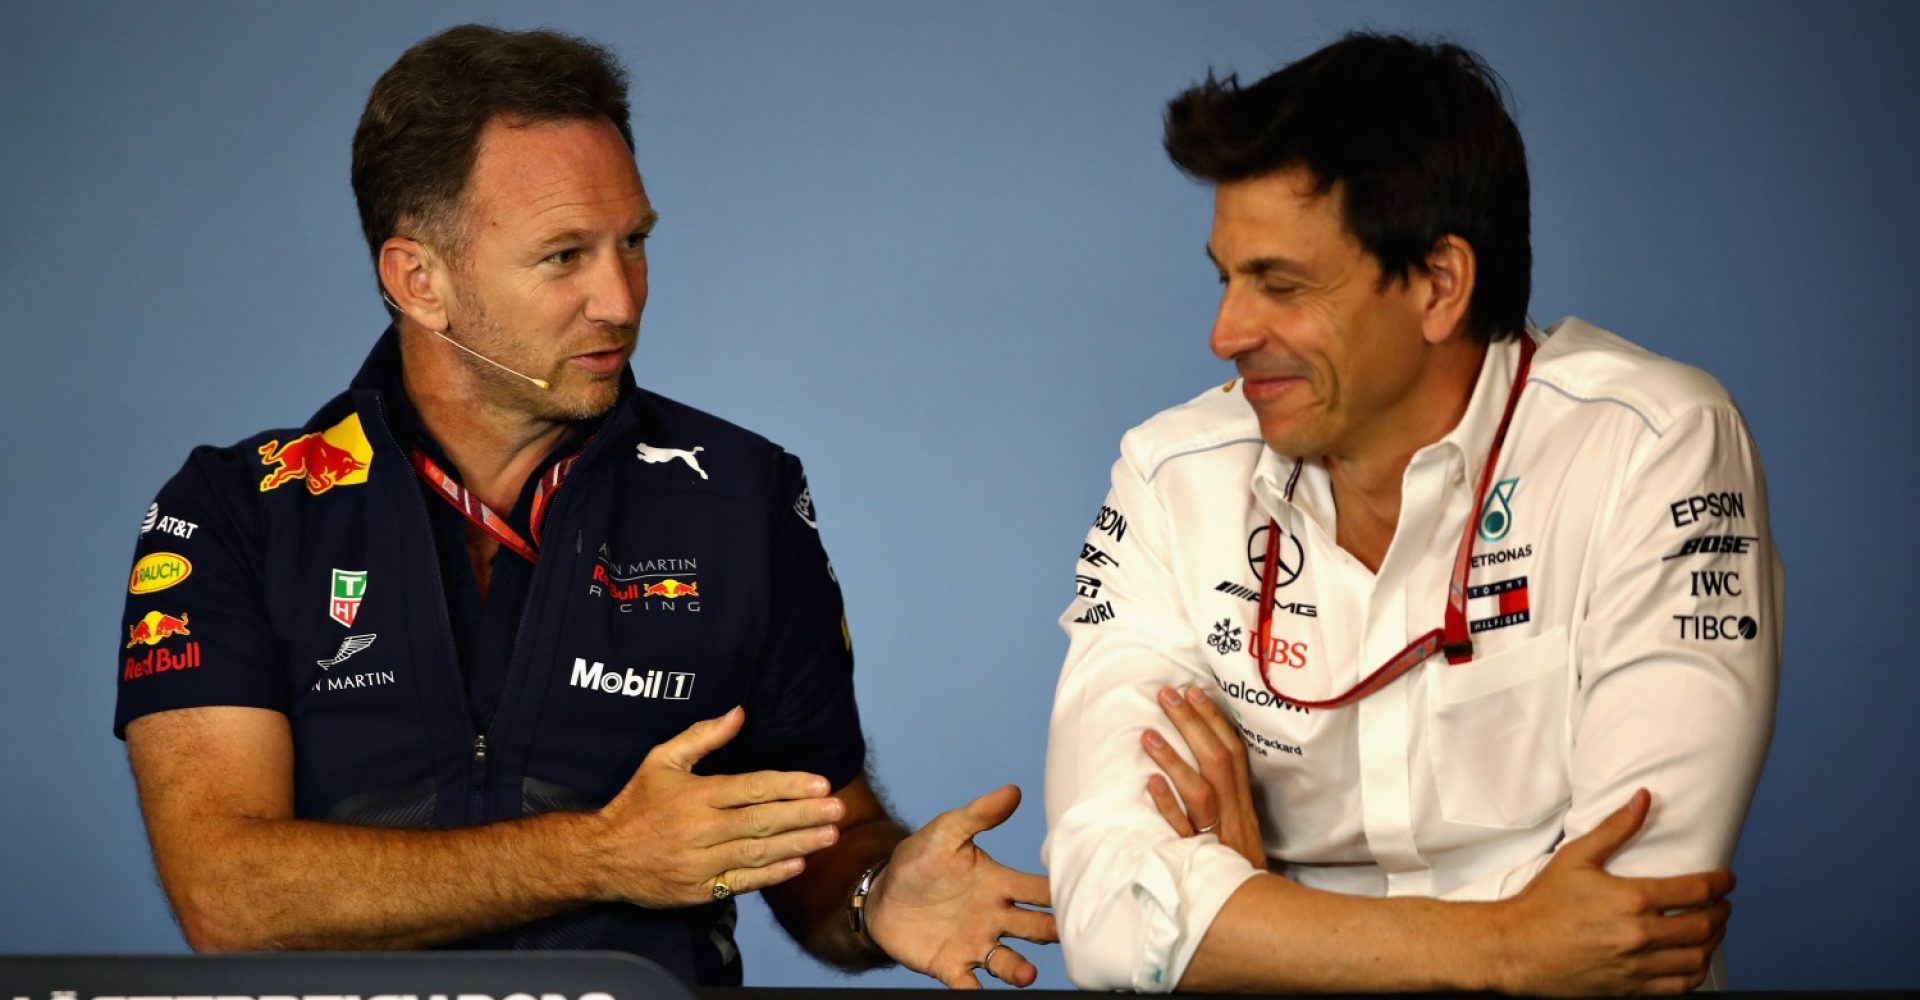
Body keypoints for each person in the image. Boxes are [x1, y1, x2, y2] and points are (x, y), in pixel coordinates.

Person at [114, 24, 1051, 989]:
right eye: (564, 256)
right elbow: (227, 895)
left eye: (634, 242)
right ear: (419, 280)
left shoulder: (741, 494)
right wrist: (598, 856)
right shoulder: (235, 512)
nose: (620, 297)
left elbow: (824, 835)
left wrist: (876, 896)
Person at [1044, 32, 1779, 994]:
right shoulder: (1167, 472)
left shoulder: (1656, 445)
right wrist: (1512, 946)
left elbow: (1634, 931)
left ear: (1439, 283)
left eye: (1281, 283)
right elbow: (1108, 916)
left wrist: (1253, 921)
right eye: (1224, 276)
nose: (1225, 332)